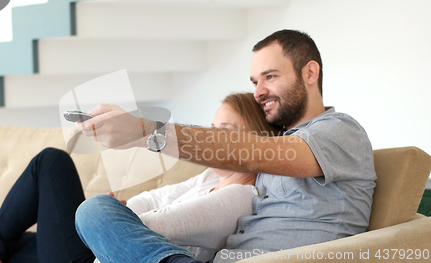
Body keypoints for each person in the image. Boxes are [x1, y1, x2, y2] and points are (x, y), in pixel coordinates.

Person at [74, 29, 377, 263]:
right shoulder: (279, 144)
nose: (258, 92)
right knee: (96, 211)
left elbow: (251, 154)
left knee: (93, 212)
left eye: (270, 77)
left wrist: (144, 131)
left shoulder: (339, 131)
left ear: (310, 73)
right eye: (255, 81)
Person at [0, 93, 279, 263]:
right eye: (212, 130)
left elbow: (154, 228)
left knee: (50, 163)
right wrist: (124, 208)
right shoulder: (208, 177)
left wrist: (115, 215)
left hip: (101, 255)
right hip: (92, 247)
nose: (212, 140)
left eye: (226, 131)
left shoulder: (239, 198)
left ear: (259, 140)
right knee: (2, 247)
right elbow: (153, 201)